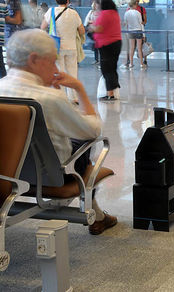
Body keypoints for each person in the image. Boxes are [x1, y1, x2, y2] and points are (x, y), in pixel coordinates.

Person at [0, 29, 117, 235]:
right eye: (52, 61)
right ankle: (95, 213)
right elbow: (93, 130)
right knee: (87, 141)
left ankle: (98, 214)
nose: (56, 68)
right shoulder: (49, 98)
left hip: (6, 173)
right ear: (34, 59)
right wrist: (79, 88)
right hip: (51, 176)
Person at [41, 0, 85, 102]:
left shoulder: (51, 12)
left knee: (59, 72)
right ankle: (73, 98)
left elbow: (42, 27)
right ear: (68, 1)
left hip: (57, 48)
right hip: (72, 47)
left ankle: (61, 97)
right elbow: (82, 30)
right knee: (72, 72)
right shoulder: (74, 13)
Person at [89, 0, 122, 101]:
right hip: (116, 43)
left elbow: (99, 28)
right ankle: (113, 91)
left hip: (106, 45)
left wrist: (91, 28)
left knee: (106, 69)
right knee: (112, 68)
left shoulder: (105, 14)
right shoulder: (115, 13)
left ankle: (110, 94)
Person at [0, 0, 21, 78]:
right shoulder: (3, 2)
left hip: (7, 37)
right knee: (1, 69)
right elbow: (8, 18)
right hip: (2, 38)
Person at [124, 0, 145, 69]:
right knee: (139, 48)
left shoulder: (126, 13)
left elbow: (125, 23)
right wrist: (143, 35)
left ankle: (131, 63)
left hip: (130, 31)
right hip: (138, 31)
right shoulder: (138, 13)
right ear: (134, 5)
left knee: (131, 48)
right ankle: (141, 64)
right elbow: (141, 23)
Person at [84, 0, 100, 65]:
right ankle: (97, 59)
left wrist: (93, 21)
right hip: (93, 32)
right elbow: (86, 21)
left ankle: (99, 59)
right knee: (96, 45)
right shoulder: (91, 12)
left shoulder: (101, 13)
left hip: (99, 32)